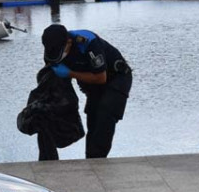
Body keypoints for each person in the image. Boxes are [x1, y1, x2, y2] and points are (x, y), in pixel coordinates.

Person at [41, 24, 132, 158]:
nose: (58, 56)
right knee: (93, 117)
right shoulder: (52, 50)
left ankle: (97, 160)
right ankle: (91, 159)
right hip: (92, 83)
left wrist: (70, 73)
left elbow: (101, 78)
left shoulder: (88, 43)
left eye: (60, 52)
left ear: (69, 42)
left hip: (116, 78)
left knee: (105, 113)